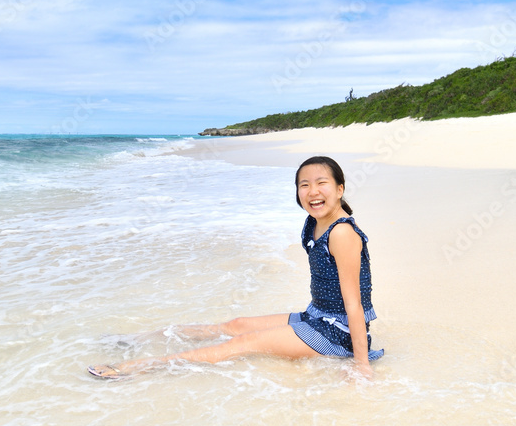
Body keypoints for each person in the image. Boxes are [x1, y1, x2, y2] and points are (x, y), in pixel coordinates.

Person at [88, 156, 383, 380]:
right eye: (304, 185)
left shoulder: (342, 233)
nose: (312, 191)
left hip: (336, 332)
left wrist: (361, 366)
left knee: (243, 343)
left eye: (322, 183)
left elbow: (354, 304)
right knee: (236, 325)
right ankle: (137, 339)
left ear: (340, 188)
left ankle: (133, 368)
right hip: (317, 316)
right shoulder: (317, 222)